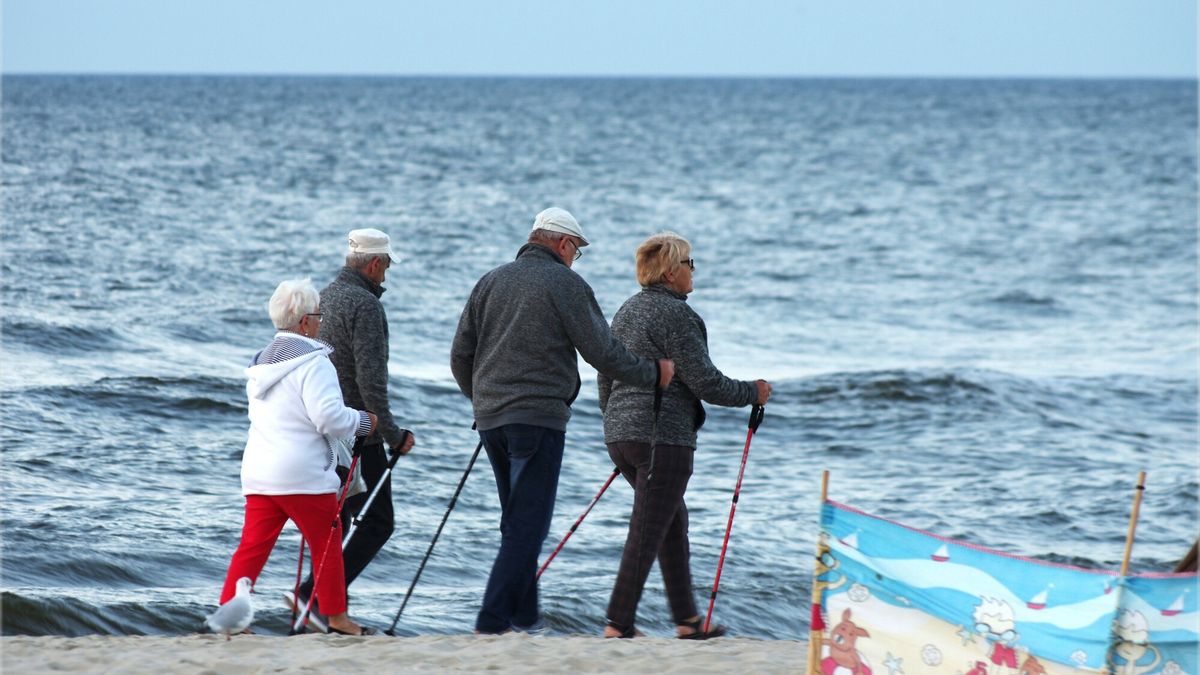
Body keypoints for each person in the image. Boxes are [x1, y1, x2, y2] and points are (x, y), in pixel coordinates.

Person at [450, 207, 675, 635]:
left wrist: (483, 400)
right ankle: (492, 621)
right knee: (527, 524)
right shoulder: (565, 283)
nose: (575, 260)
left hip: (492, 421)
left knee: (517, 521)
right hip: (537, 419)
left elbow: (460, 355)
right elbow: (603, 353)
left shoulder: (490, 281)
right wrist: (652, 373)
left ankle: (525, 617)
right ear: (564, 244)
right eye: (577, 252)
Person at [598, 232, 771, 639]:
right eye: (690, 264)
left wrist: (618, 422)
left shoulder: (626, 311)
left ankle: (687, 620)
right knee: (647, 527)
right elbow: (705, 382)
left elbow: (606, 373)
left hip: (622, 437)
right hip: (664, 438)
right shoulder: (677, 315)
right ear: (671, 271)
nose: (694, 272)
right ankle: (617, 624)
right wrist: (753, 392)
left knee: (670, 522)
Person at [216, 278, 377, 636]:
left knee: (252, 548)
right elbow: (329, 419)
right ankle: (336, 617)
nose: (321, 323)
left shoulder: (259, 363)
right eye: (318, 316)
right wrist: (365, 421)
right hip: (302, 473)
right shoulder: (314, 364)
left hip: (259, 470)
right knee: (328, 544)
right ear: (305, 322)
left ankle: (230, 616)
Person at [295, 228, 417, 616]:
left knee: (339, 522)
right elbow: (371, 381)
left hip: (321, 429)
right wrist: (392, 434)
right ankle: (314, 594)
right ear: (375, 263)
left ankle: (320, 601)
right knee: (379, 523)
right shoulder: (366, 306)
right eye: (386, 268)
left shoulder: (323, 299)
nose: (386, 276)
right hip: (359, 433)